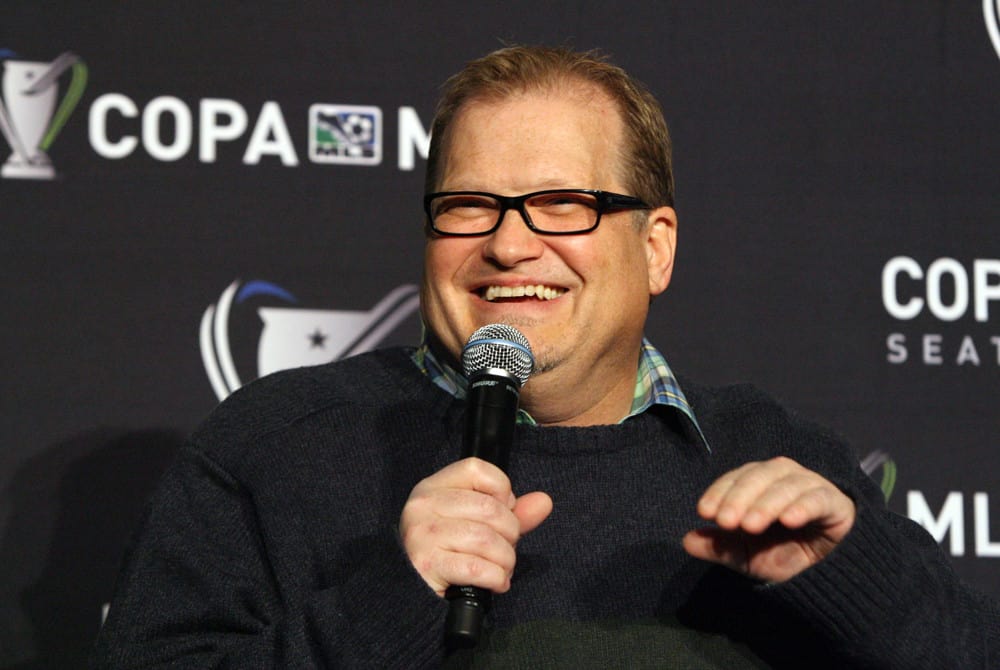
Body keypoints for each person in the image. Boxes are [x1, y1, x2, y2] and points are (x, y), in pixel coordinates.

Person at [93, 45, 998, 668]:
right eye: (471, 204)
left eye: (564, 204)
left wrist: (858, 589)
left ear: (656, 248)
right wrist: (385, 609)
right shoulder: (274, 445)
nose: (510, 246)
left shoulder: (771, 458)